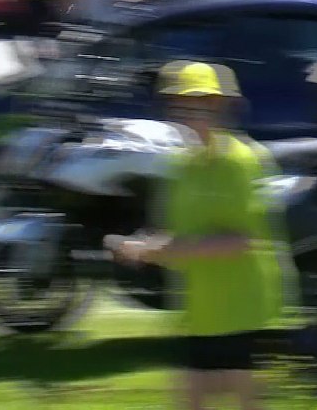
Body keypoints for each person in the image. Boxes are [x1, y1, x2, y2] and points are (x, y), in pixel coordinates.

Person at [105, 61, 291, 410]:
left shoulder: (241, 162)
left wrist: (159, 249)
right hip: (199, 306)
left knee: (243, 399)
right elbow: (177, 232)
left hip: (243, 307)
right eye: (177, 106)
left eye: (196, 104)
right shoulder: (181, 165)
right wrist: (138, 246)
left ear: (218, 107)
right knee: (191, 399)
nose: (186, 114)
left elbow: (239, 241)